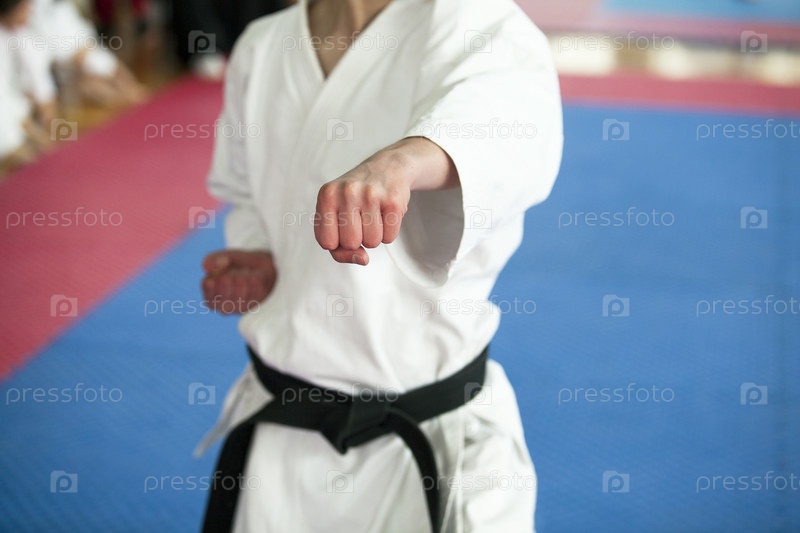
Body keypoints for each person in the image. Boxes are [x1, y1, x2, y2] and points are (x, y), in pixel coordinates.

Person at [198, 0, 563, 531]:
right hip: (283, 443)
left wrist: (404, 161)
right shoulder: (263, 44)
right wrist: (260, 259)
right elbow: (249, 196)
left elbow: (500, 127)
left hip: (433, 441)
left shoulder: (478, 20)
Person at [0, 0, 51, 171]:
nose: (29, 12)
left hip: (15, 104)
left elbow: (36, 77)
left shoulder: (18, 34)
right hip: (5, 115)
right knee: (26, 159)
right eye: (24, 9)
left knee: (44, 148)